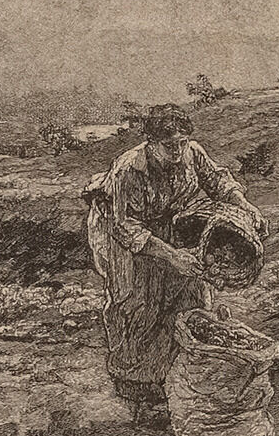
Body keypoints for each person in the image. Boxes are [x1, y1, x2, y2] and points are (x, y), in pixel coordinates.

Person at [82, 104, 268, 419]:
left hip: (168, 226)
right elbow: (126, 226)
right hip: (120, 233)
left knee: (189, 293)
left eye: (182, 142)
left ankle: (174, 375)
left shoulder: (192, 153)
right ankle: (135, 385)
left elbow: (219, 182)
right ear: (151, 142)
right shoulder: (129, 170)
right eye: (170, 145)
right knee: (136, 300)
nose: (178, 150)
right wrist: (172, 256)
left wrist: (245, 206)